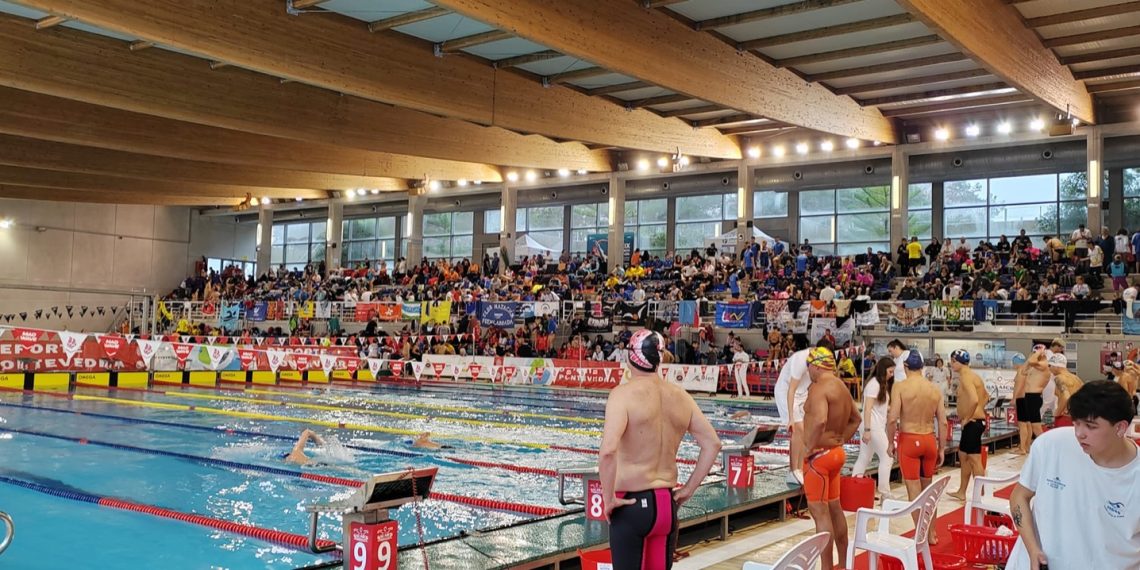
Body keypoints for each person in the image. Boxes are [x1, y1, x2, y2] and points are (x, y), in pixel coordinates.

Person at [599, 329, 721, 570]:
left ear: (630, 357)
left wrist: (608, 498)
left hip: (630, 507)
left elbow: (607, 451)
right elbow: (712, 444)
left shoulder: (622, 395)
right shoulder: (681, 396)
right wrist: (687, 490)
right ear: (660, 358)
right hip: (666, 506)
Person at [1006, 381, 1140, 570]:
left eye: (1090, 426)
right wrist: (1032, 549)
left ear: (1120, 428)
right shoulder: (1051, 444)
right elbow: (1019, 496)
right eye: (1076, 423)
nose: (1079, 434)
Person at [800, 347, 861, 570]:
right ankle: (843, 565)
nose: (808, 372)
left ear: (816, 365)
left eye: (809, 367)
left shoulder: (819, 388)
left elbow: (819, 421)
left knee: (820, 514)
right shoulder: (841, 387)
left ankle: (826, 568)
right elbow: (856, 419)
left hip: (819, 458)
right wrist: (839, 440)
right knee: (835, 508)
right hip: (835, 454)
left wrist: (809, 447)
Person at [887, 352, 948, 545]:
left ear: (905, 368)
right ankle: (932, 533)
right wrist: (942, 448)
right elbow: (944, 422)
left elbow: (892, 418)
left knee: (913, 491)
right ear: (922, 368)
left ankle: (920, 534)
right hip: (929, 440)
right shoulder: (934, 389)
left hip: (909, 440)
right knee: (928, 489)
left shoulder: (900, 387)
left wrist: (890, 443)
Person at [851, 357, 895, 500]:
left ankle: (854, 487)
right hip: (871, 426)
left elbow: (877, 407)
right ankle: (885, 493)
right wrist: (868, 430)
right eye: (890, 371)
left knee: (865, 457)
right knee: (887, 457)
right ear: (883, 370)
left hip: (873, 425)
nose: (892, 374)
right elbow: (867, 408)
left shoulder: (880, 385)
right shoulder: (874, 385)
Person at [948, 350, 989, 501]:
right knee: (963, 456)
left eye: (952, 361)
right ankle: (961, 491)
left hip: (973, 423)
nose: (951, 364)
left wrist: (968, 417)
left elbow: (974, 400)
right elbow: (986, 397)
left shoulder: (965, 377)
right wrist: (978, 412)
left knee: (974, 459)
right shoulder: (973, 375)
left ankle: (981, 494)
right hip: (975, 422)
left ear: (958, 361)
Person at [1017, 345, 1052, 453]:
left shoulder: (1044, 364)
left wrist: (1038, 353)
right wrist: (1033, 355)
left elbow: (1032, 361)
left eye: (1036, 352)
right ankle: (1045, 446)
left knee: (1036, 426)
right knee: (1033, 424)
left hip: (1034, 396)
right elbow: (1023, 371)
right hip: (1028, 397)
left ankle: (1047, 448)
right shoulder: (1035, 365)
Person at [1048, 353, 1084, 428]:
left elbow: (1066, 397)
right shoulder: (1076, 378)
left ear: (1056, 366)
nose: (1049, 369)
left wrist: (1057, 412)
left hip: (1065, 417)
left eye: (1050, 365)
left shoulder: (1059, 378)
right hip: (1078, 416)